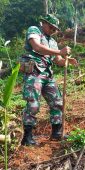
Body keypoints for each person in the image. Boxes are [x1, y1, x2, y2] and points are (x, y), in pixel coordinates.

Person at [20, 14, 78, 146]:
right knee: (33, 104)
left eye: (55, 29)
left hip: (47, 75)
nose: (53, 30)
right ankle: (27, 137)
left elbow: (58, 60)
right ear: (44, 23)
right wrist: (59, 52)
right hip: (34, 73)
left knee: (57, 102)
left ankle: (56, 132)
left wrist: (67, 61)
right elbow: (37, 47)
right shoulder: (34, 30)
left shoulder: (52, 42)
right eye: (51, 27)